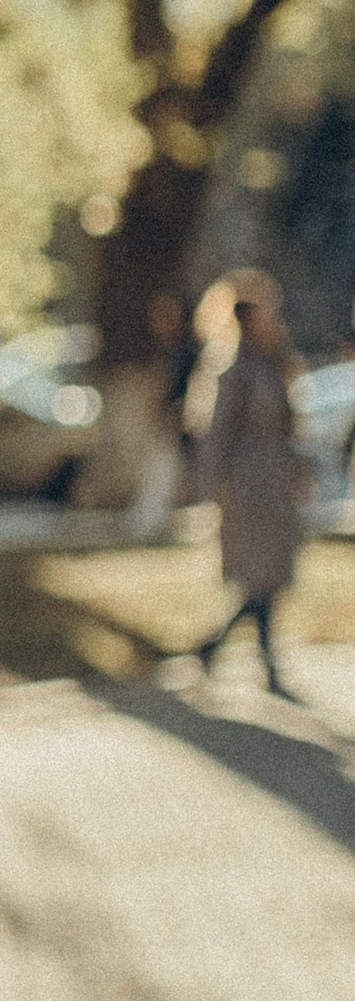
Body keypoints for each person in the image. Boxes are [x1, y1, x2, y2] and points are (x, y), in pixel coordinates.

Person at [194, 269, 306, 690]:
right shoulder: (233, 370)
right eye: (268, 312)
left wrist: (299, 471)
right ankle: (261, 660)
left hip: (276, 488)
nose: (276, 318)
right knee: (261, 579)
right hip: (246, 490)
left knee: (269, 578)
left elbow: (288, 430)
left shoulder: (275, 364)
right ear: (247, 317)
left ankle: (219, 647)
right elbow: (216, 435)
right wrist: (210, 489)